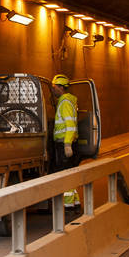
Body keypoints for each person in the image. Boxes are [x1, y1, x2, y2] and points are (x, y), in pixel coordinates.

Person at [51, 74, 82, 208]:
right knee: (70, 173)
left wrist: (67, 144)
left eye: (54, 87)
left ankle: (68, 205)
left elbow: (70, 125)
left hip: (64, 143)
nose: (53, 90)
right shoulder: (67, 102)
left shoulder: (65, 103)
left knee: (65, 174)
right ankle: (75, 202)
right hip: (66, 142)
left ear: (60, 88)